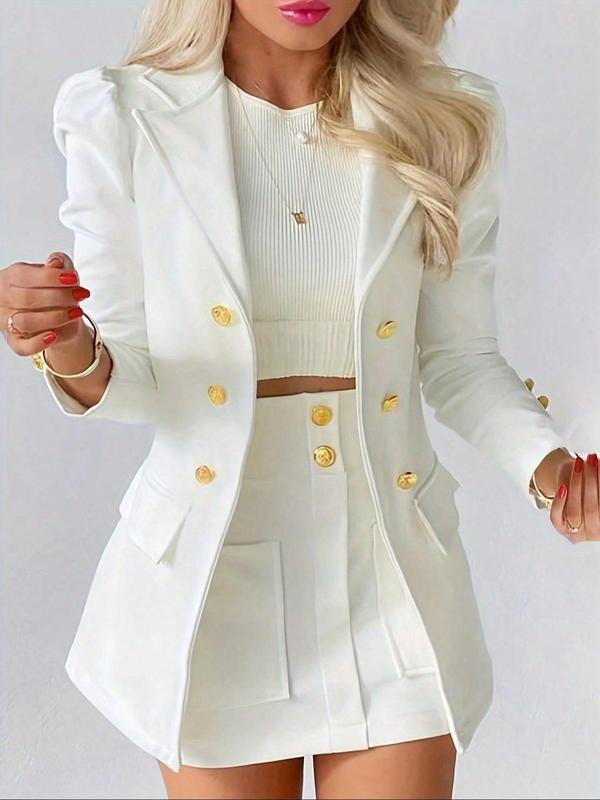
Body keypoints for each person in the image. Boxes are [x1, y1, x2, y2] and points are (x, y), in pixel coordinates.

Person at [2, 1, 598, 798]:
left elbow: (459, 357)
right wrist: (64, 341)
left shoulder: (442, 118)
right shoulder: (123, 115)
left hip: (389, 575)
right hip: (213, 586)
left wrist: (550, 469)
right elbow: (137, 377)